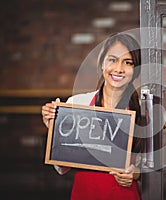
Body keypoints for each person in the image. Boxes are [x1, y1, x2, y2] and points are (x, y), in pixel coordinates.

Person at [41, 33, 143, 200]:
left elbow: (148, 167)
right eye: (112, 60)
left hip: (123, 194)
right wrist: (55, 130)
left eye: (128, 62)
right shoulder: (77, 103)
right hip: (85, 193)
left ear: (136, 70)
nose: (118, 68)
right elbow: (61, 166)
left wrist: (135, 174)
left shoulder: (141, 111)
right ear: (102, 63)